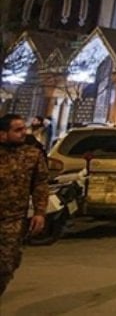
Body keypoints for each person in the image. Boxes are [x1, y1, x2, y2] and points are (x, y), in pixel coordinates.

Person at [1, 113, 49, 296]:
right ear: (3, 134)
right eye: (18, 130)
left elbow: (40, 185)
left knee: (7, 264)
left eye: (24, 128)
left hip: (13, 220)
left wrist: (39, 212)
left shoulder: (32, 155)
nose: (24, 133)